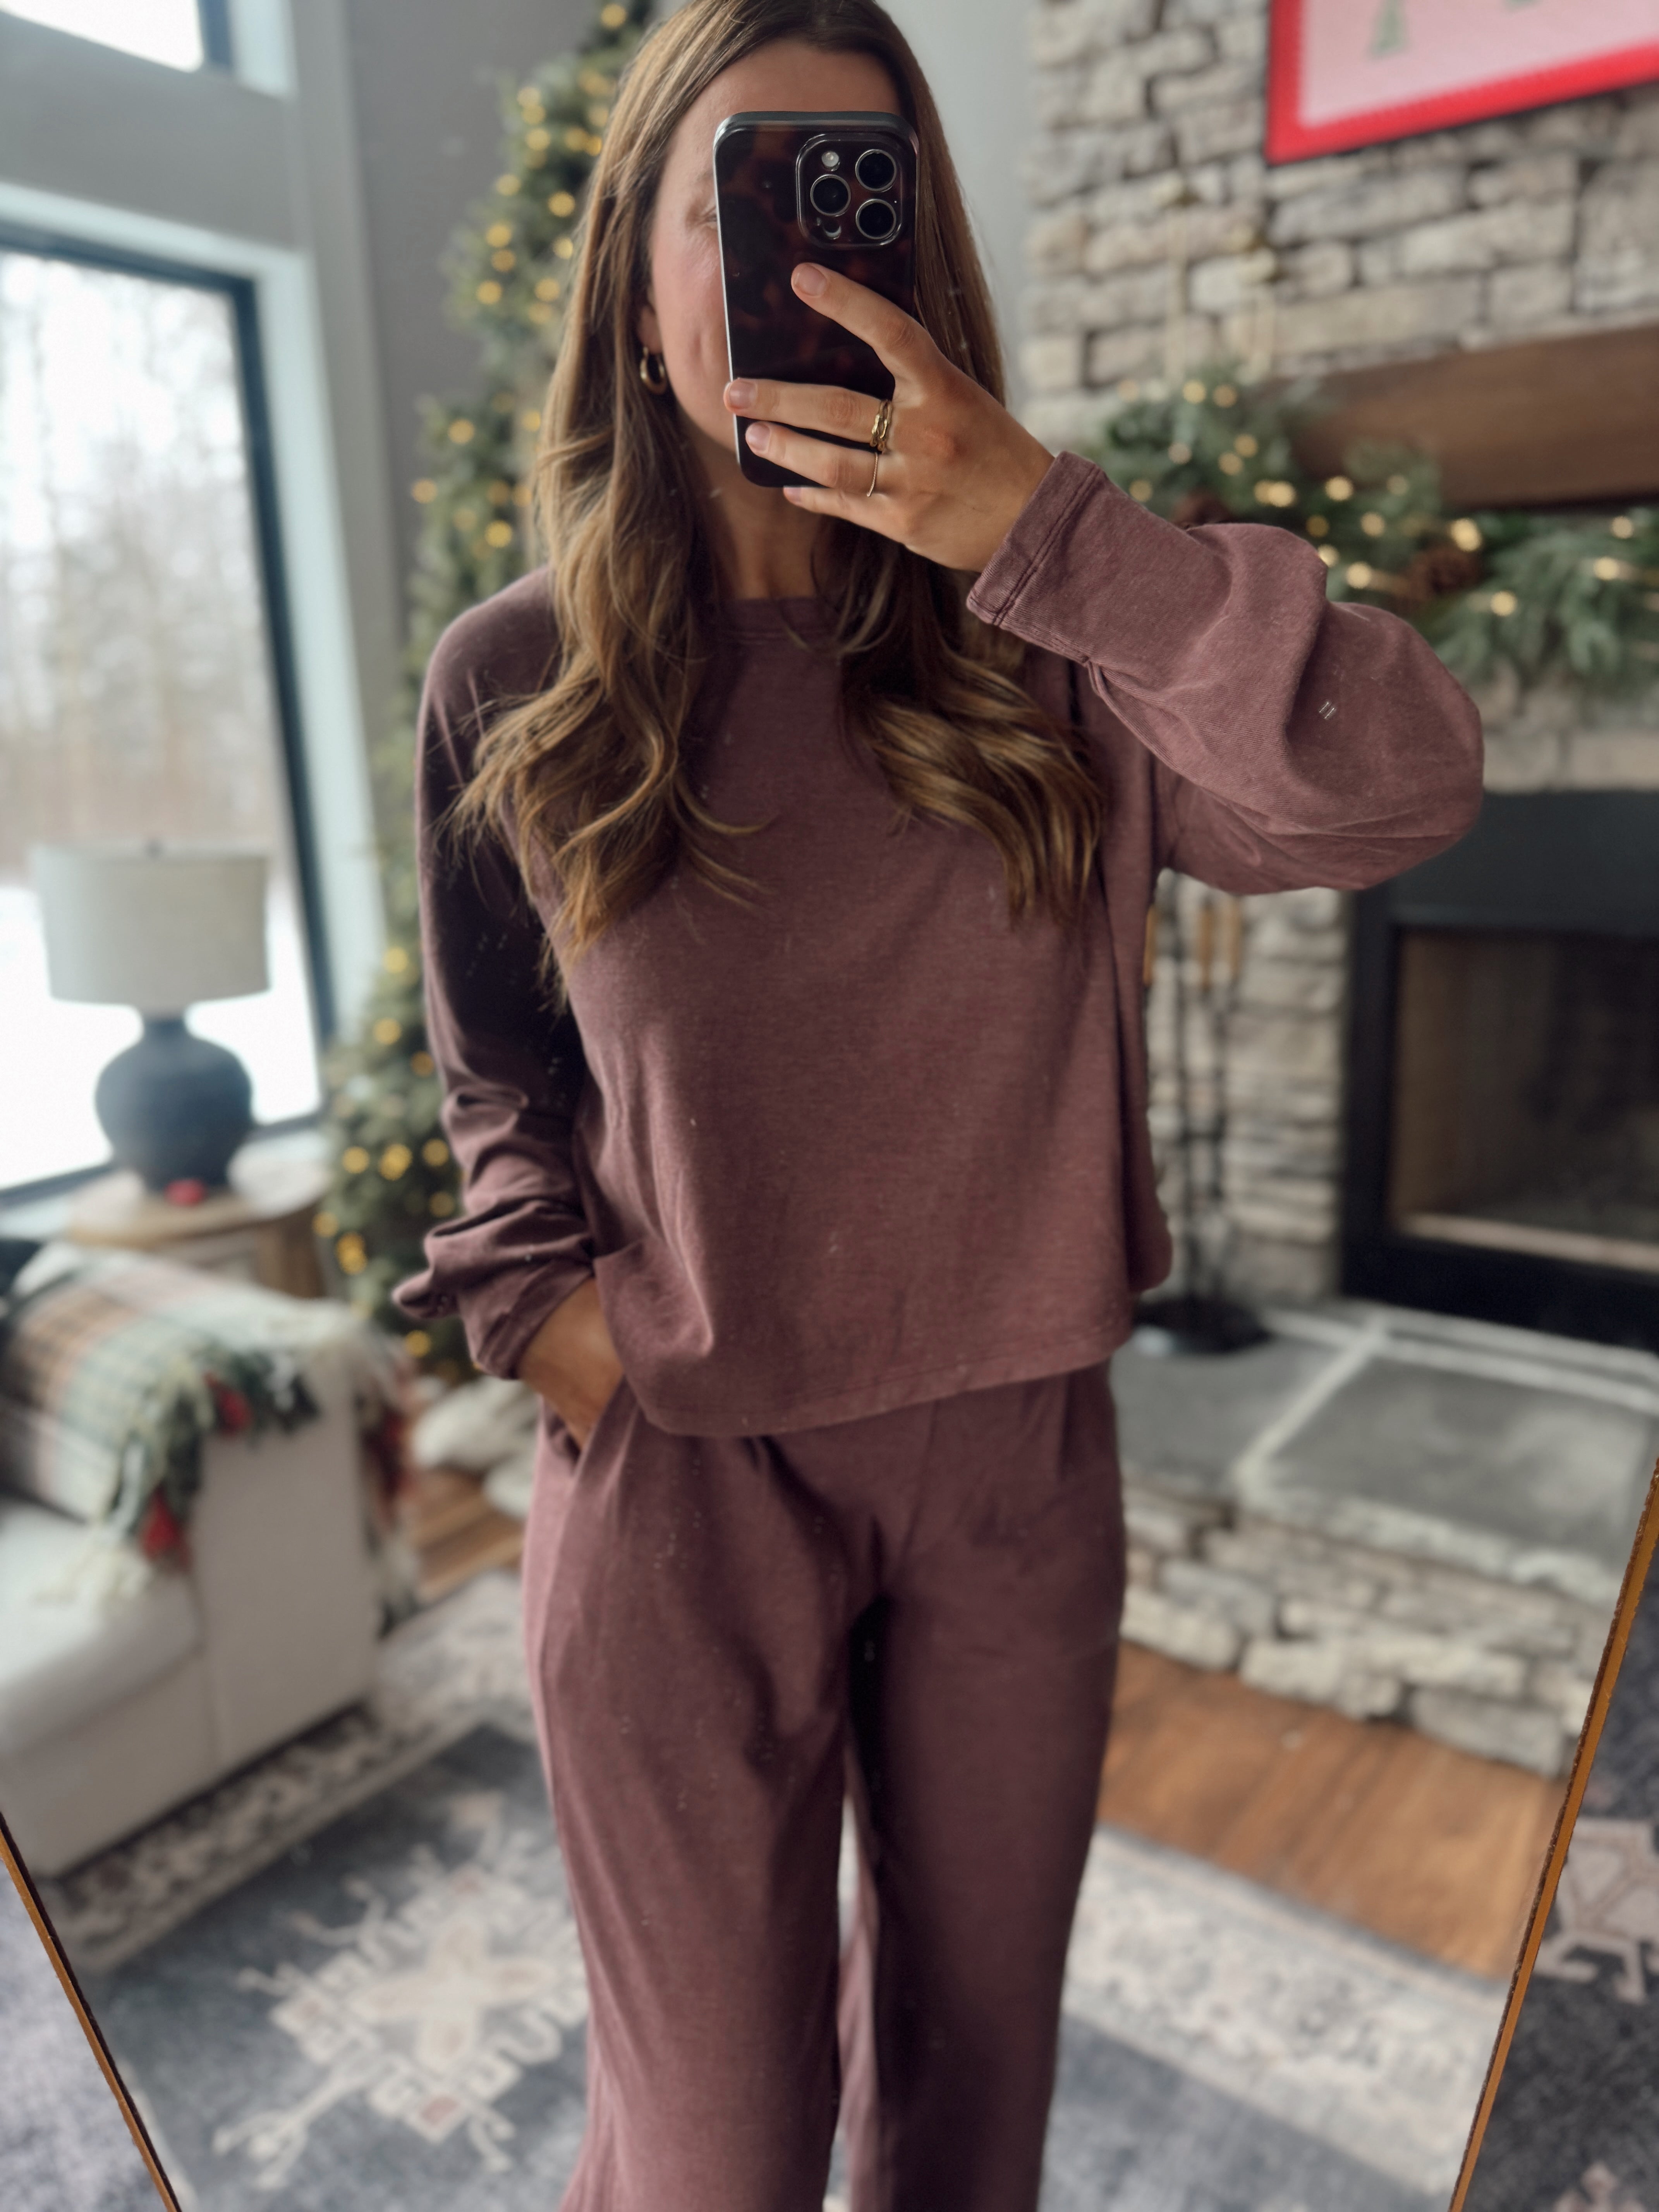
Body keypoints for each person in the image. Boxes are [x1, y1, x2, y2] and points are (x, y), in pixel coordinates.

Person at [392, 2, 1483, 2204]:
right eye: (739, 198)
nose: (799, 254)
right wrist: (547, 1316)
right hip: (687, 1476)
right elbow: (496, 1058)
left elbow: (1406, 786)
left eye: (854, 194)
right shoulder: (518, 676)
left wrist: (1055, 534)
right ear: (632, 273)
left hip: (1014, 1474)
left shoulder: (1065, 641)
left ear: (928, 257)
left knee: (972, 2117)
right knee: (713, 2154)